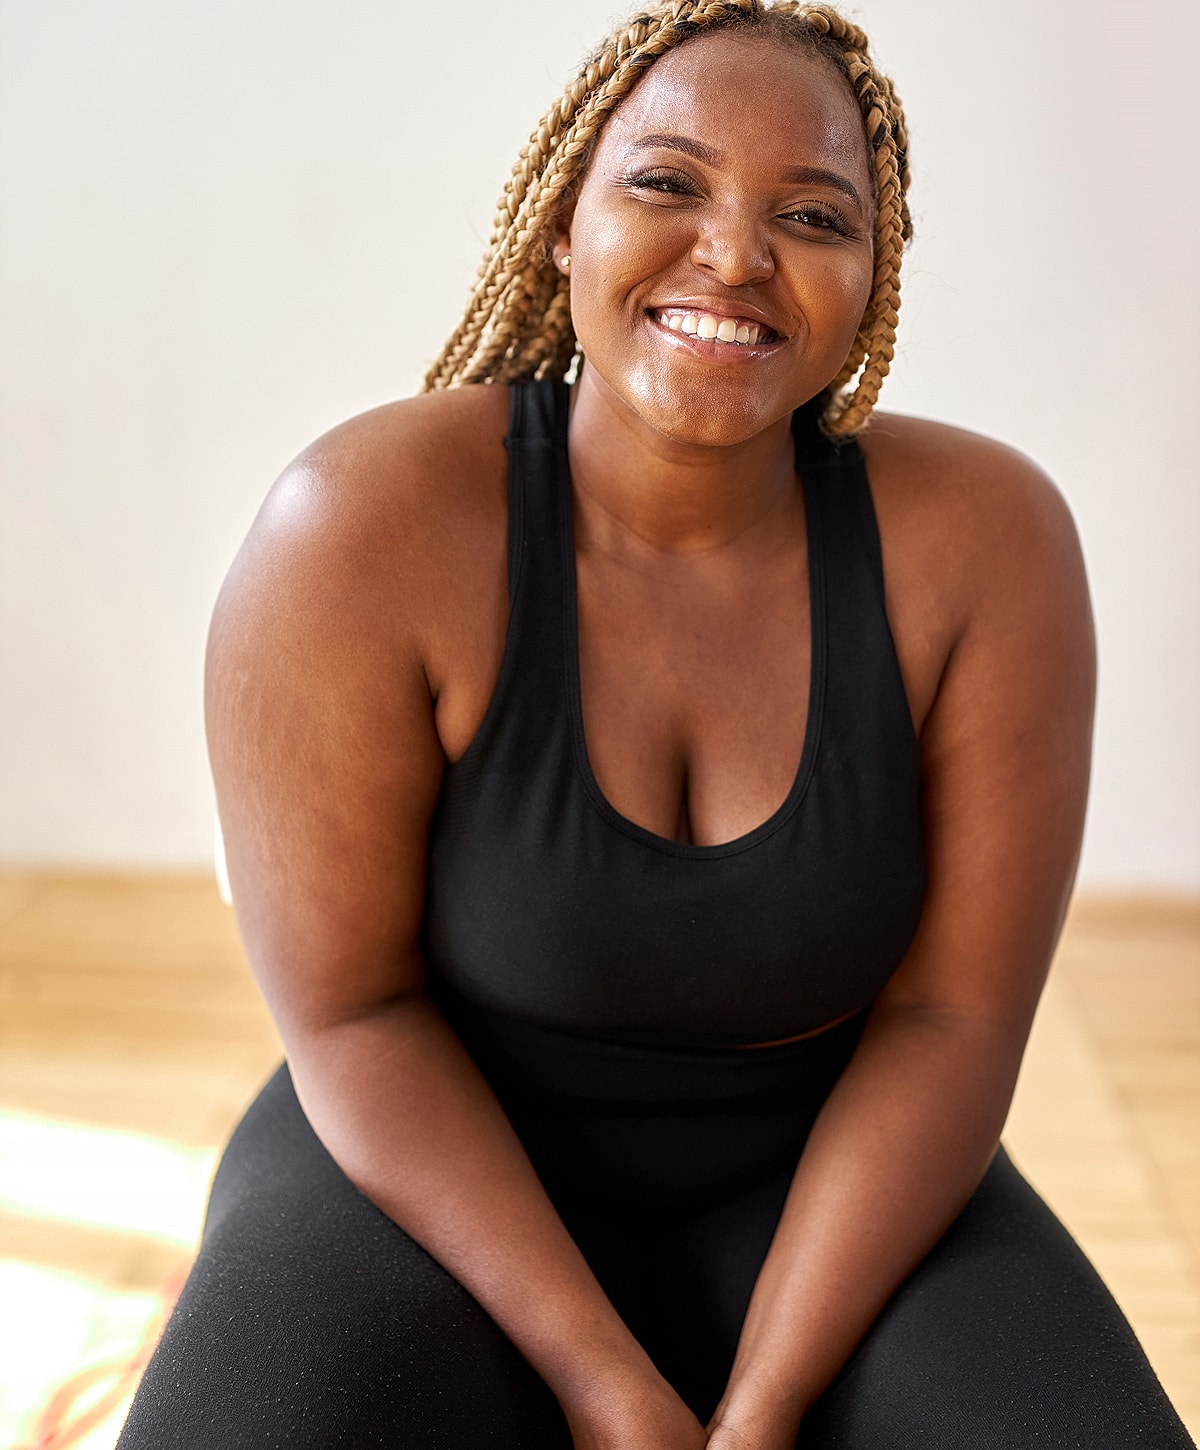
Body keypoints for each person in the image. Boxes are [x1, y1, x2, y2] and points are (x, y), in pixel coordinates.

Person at [117, 3, 1194, 1446]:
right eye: (667, 182)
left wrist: (757, 1409)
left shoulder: (988, 547)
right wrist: (608, 1384)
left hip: (835, 1192)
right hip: (425, 1174)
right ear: (565, 220)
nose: (736, 254)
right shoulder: (361, 529)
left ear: (872, 282)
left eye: (812, 214)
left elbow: (955, 1019)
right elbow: (352, 1012)